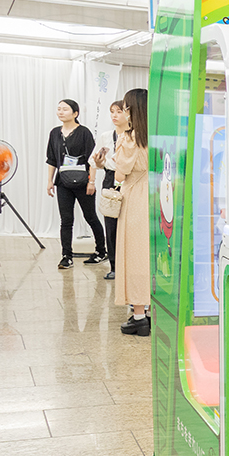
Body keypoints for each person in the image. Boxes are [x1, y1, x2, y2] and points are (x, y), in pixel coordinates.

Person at [45, 99, 107, 270]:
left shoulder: (84, 132)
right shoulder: (54, 133)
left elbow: (92, 159)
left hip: (83, 182)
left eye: (65, 109)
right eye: (58, 109)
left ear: (75, 113)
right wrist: (50, 181)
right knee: (66, 220)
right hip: (62, 182)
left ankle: (101, 252)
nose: (60, 112)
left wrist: (91, 181)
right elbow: (51, 159)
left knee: (91, 217)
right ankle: (66, 256)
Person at [115, 88, 151, 336]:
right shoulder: (159, 134)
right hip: (159, 197)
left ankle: (139, 316)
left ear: (132, 110)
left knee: (135, 255)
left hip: (136, 198)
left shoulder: (130, 138)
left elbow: (120, 173)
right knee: (153, 256)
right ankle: (151, 310)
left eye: (125, 107)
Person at [91, 100, 127, 280]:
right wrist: (99, 162)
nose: (114, 115)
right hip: (111, 178)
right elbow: (95, 162)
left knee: (128, 225)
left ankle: (129, 265)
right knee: (111, 225)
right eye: (112, 111)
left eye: (118, 111)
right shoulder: (106, 136)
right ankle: (114, 266)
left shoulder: (134, 136)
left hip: (129, 179)